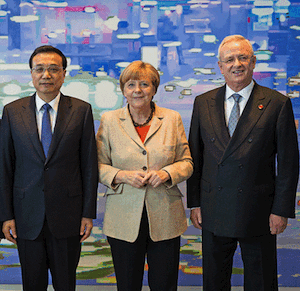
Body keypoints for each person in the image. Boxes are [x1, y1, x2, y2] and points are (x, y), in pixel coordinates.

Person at [187, 34, 299, 290]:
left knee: (261, 282)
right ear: (220, 66)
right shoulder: (202, 103)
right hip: (214, 208)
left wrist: (281, 210)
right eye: (229, 59)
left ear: (253, 62)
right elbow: (196, 156)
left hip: (259, 211)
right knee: (214, 282)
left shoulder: (277, 104)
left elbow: (288, 163)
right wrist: (195, 203)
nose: (236, 64)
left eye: (243, 57)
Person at [0, 45, 98, 290]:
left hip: (68, 215)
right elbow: (4, 167)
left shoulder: (81, 110)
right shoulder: (12, 112)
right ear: (31, 74)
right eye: (40, 69)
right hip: (26, 216)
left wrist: (88, 213)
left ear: (64, 74)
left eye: (54, 69)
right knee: (32, 284)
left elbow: (88, 165)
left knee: (66, 283)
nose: (46, 75)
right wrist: (6, 215)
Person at [97, 60, 193, 291]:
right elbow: (98, 165)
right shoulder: (109, 120)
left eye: (144, 84)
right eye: (131, 84)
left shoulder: (172, 119)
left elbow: (187, 163)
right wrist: (122, 175)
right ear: (123, 89)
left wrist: (167, 173)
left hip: (165, 217)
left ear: (154, 89)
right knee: (127, 285)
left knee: (164, 284)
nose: (137, 90)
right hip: (123, 217)